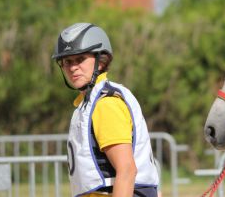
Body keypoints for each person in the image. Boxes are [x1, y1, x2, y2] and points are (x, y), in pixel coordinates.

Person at [52, 23, 159, 197]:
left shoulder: (105, 104)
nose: (72, 67)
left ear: (100, 61)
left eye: (80, 59)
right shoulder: (88, 103)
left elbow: (126, 170)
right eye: (67, 62)